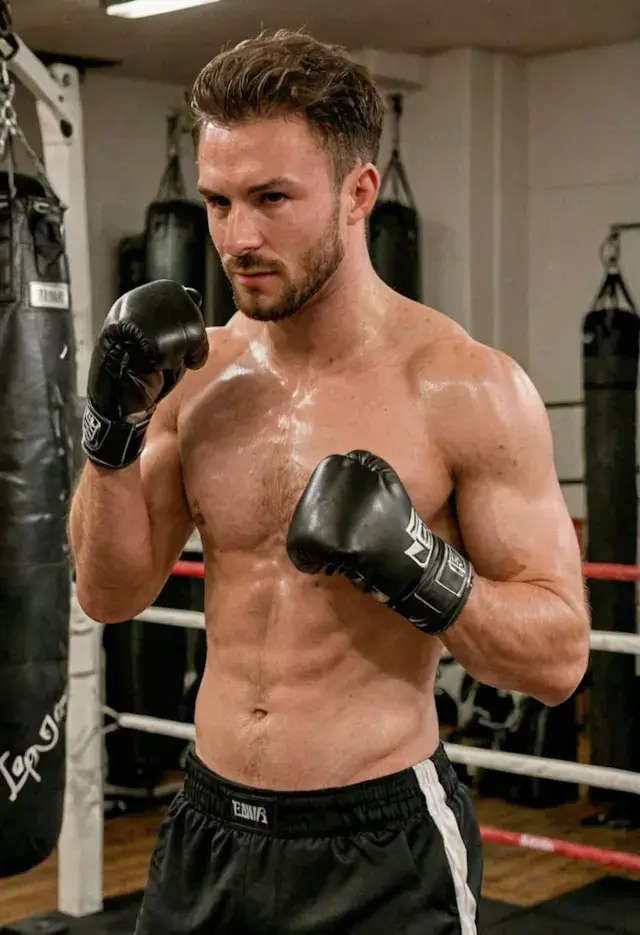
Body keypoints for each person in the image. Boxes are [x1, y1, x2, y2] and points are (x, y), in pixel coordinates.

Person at [68, 29, 591, 935]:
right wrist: (110, 436)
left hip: (380, 846)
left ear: (360, 193)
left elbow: (558, 661)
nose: (238, 236)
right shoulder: (198, 375)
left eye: (272, 198)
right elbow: (110, 593)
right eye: (218, 201)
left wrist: (421, 565)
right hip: (208, 831)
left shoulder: (466, 387)